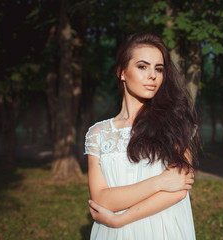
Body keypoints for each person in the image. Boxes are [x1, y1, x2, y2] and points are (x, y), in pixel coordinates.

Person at [84, 32, 200, 240]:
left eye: (159, 69)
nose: (152, 75)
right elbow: (101, 199)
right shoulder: (98, 134)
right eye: (142, 66)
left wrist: (120, 219)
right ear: (121, 72)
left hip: (165, 230)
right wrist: (159, 182)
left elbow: (178, 189)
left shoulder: (175, 122)